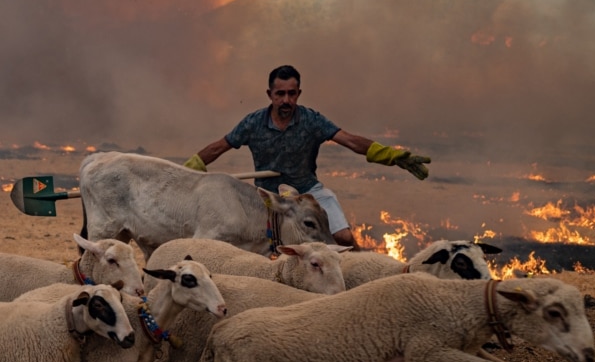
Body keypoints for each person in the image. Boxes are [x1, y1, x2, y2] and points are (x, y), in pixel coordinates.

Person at [184, 64, 431, 248]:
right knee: (253, 249)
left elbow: (350, 141)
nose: (286, 100)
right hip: (270, 202)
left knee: (343, 239)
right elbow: (220, 146)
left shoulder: (311, 120)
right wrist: (188, 170)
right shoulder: (253, 123)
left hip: (309, 193)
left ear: (299, 93)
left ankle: (357, 283)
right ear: (269, 94)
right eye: (280, 94)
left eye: (291, 94)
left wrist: (391, 156)